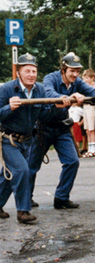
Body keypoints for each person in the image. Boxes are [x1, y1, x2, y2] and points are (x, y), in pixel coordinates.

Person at [29, 52, 95, 210]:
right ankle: (26, 198)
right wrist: (67, 96)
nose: (75, 74)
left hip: (61, 127)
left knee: (73, 161)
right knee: (32, 165)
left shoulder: (77, 82)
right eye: (72, 70)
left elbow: (93, 91)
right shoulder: (51, 78)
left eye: (77, 71)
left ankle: (61, 198)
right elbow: (48, 93)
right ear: (63, 69)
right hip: (43, 128)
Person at [0, 54, 67, 223]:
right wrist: (10, 108)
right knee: (22, 170)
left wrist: (58, 107)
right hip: (8, 140)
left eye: (34, 71)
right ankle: (23, 211)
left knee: (8, 176)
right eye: (27, 71)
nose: (31, 74)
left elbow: (44, 115)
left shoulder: (40, 89)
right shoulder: (6, 89)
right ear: (19, 73)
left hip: (28, 140)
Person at [81, 69, 95, 157]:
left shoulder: (94, 87)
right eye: (84, 77)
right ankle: (89, 149)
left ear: (92, 78)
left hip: (91, 108)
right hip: (85, 107)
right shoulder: (85, 87)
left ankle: (93, 150)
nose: (84, 79)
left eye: (87, 77)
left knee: (91, 130)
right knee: (87, 130)